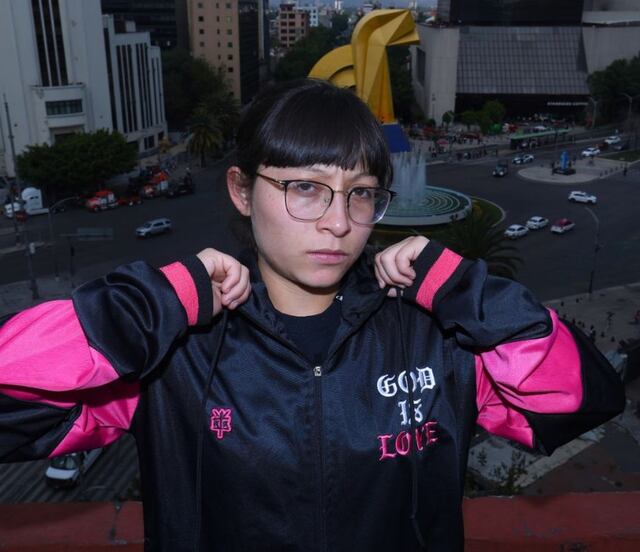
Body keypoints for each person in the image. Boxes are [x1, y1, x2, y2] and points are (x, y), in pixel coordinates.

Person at [0, 79, 625, 551]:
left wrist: (468, 293)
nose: (339, 222)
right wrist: (152, 305)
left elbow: (583, 401)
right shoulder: (172, 353)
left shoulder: (439, 338)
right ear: (242, 191)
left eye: (361, 194)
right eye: (305, 187)